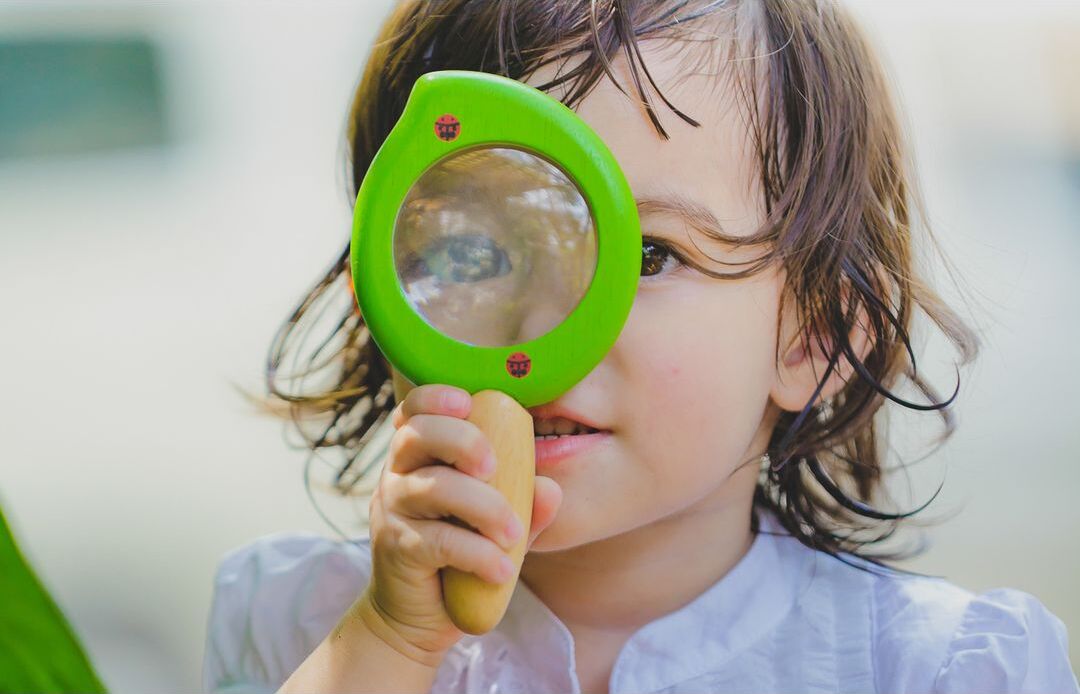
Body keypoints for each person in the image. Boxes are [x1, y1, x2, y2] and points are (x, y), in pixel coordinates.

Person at [202, 1, 1080, 692]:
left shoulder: (934, 672)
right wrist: (388, 646)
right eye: (472, 251)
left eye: (650, 255)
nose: (542, 321)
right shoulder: (303, 627)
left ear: (813, 331)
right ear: (383, 303)